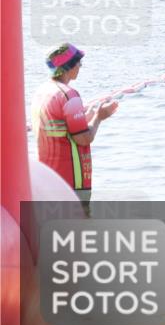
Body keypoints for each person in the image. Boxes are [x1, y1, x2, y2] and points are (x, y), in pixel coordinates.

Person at [31, 43, 118, 217]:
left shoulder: (41, 92)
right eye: (78, 62)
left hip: (47, 178)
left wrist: (86, 117)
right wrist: (99, 117)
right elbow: (84, 139)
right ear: (68, 66)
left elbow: (58, 128)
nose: (80, 66)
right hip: (72, 182)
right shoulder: (69, 95)